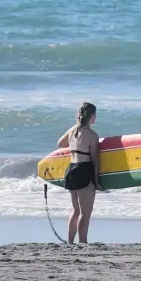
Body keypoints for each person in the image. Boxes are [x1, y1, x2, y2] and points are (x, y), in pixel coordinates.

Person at [57, 101, 102, 243]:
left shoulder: (72, 131)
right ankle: (83, 243)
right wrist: (97, 181)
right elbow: (95, 160)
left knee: (76, 210)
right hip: (84, 171)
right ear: (92, 116)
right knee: (85, 213)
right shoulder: (92, 135)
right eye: (95, 115)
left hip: (71, 171)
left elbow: (60, 144)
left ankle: (70, 242)